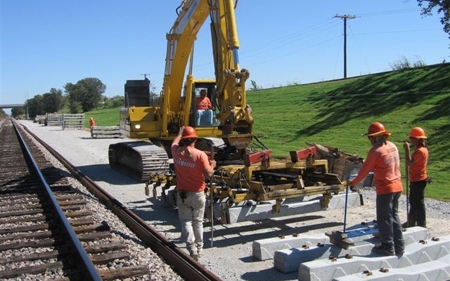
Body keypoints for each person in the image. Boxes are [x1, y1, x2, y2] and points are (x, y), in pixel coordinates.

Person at [350, 121, 405, 256]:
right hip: (397, 186)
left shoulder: (376, 151)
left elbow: (364, 170)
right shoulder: (392, 146)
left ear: (374, 137)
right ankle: (399, 245)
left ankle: (388, 246)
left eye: (369, 137)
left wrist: (353, 182)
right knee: (394, 215)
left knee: (384, 218)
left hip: (386, 188)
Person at [171, 126, 216, 261]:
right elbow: (208, 174)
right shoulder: (200, 155)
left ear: (183, 140)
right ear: (195, 139)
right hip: (198, 193)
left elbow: (173, 143)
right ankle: (200, 248)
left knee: (185, 221)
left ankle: (191, 247)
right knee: (198, 222)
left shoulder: (176, 152)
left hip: (183, 193)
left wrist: (179, 134)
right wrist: (213, 165)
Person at [403, 126, 429, 228]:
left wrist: (407, 150)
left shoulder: (420, 151)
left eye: (411, 138)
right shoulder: (423, 149)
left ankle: (420, 223)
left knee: (417, 203)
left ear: (417, 139)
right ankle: (413, 221)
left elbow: (409, 163)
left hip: (418, 179)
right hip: (419, 178)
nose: (410, 140)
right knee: (415, 202)